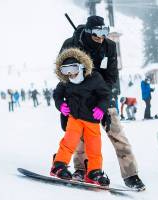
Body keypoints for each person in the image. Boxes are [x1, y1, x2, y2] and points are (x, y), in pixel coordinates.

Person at [60, 15, 145, 189]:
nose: (101, 38)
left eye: (104, 34)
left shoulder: (109, 46)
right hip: (78, 96)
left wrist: (102, 103)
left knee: (117, 133)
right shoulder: (71, 44)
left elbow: (111, 76)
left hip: (103, 94)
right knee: (80, 135)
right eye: (97, 35)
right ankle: (81, 169)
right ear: (89, 32)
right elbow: (63, 74)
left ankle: (131, 175)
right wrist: (62, 102)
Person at [52, 48, 110, 186]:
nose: (70, 74)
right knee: (69, 141)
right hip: (75, 118)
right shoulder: (65, 82)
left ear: (81, 66)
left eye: (72, 68)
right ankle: (58, 166)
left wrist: (102, 108)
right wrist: (60, 105)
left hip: (92, 120)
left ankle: (94, 172)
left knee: (94, 146)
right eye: (65, 71)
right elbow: (57, 95)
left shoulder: (94, 78)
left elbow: (105, 95)